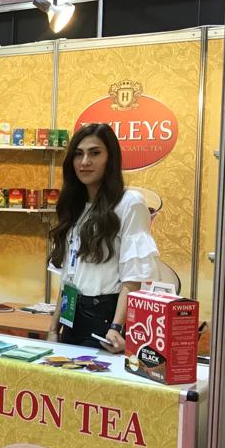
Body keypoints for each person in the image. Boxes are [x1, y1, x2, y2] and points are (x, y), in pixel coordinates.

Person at [46, 123, 159, 351]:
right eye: (78, 154)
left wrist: (117, 328)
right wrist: (53, 329)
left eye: (95, 153)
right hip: (71, 318)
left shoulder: (129, 203)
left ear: (111, 159)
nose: (85, 161)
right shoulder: (74, 205)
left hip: (106, 321)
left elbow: (132, 278)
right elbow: (69, 276)